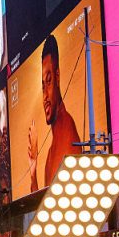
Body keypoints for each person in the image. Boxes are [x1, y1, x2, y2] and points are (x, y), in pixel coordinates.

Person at [28, 34, 82, 191]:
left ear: (58, 77)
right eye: (43, 86)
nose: (45, 96)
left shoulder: (67, 136)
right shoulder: (53, 146)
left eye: (49, 81)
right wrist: (33, 168)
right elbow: (44, 208)